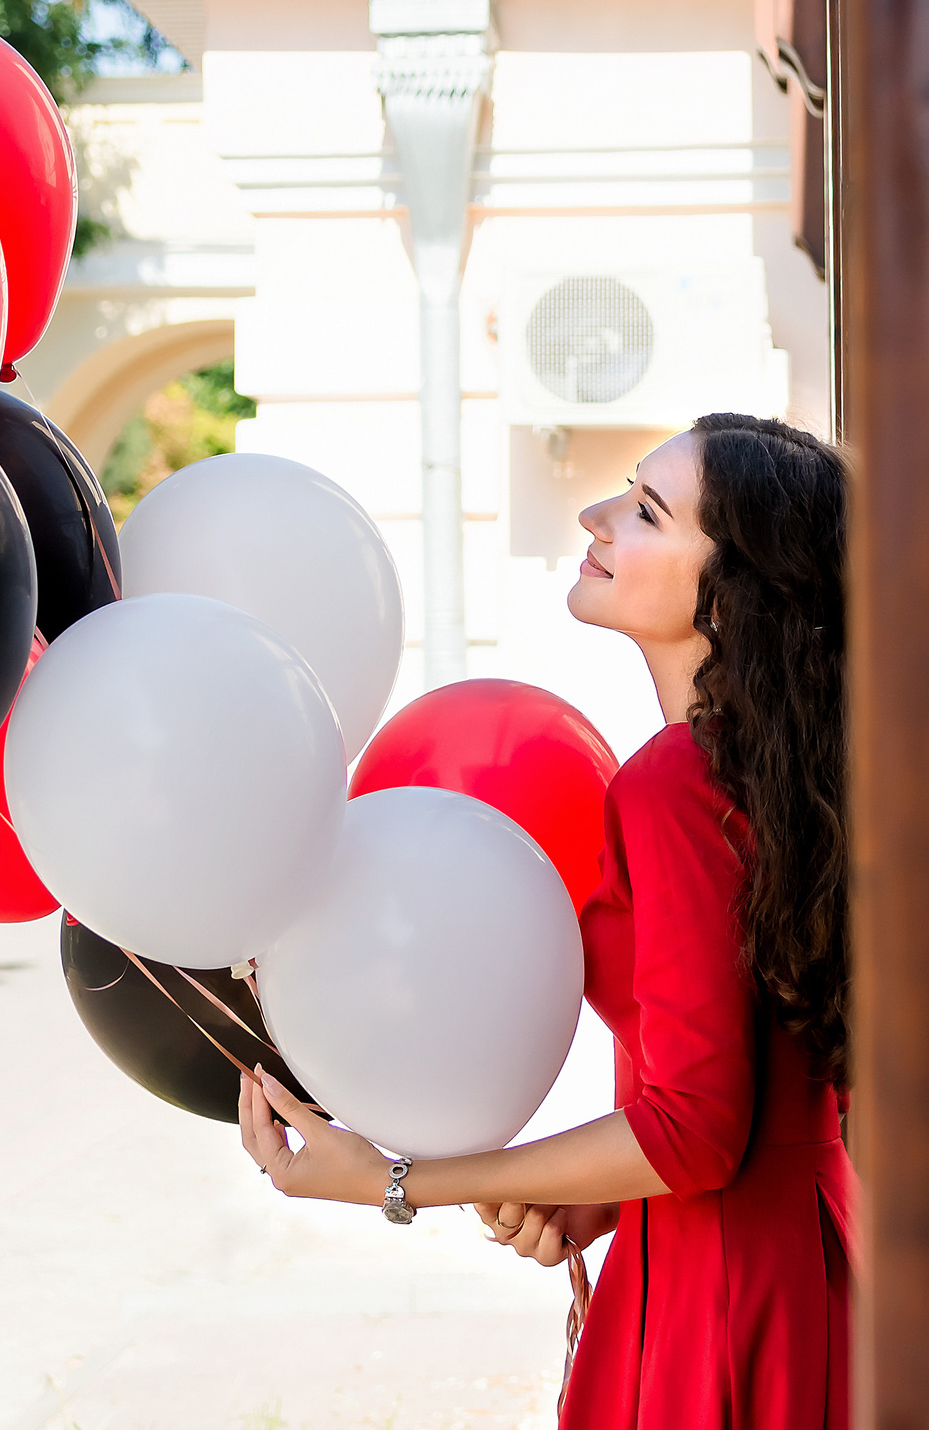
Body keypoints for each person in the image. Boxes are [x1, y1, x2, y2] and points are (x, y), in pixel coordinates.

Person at [238, 411, 856, 1428]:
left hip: (723, 1295)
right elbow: (771, 1087)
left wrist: (399, 1180)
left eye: (647, 511)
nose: (596, 515)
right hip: (792, 1262)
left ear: (732, 592)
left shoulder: (680, 781)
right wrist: (607, 1191)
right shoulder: (783, 776)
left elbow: (696, 1131)